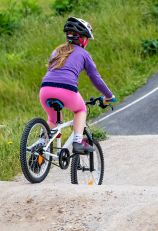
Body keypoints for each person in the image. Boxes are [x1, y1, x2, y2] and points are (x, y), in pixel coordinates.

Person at [39, 17, 115, 153]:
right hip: (66, 91)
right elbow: (96, 79)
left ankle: (40, 145)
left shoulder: (57, 51)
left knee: (53, 119)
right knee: (80, 110)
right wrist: (109, 96)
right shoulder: (84, 54)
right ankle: (78, 141)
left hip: (45, 89)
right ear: (83, 39)